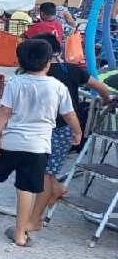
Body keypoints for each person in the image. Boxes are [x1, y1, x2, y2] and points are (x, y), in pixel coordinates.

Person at [0, 38, 82, 247]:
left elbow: (4, 112)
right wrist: (78, 132)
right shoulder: (58, 87)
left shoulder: (15, 83)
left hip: (11, 142)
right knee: (25, 189)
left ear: (20, 62)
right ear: (48, 62)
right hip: (37, 147)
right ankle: (20, 234)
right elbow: (69, 114)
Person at [26, 33, 111, 231]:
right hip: (65, 128)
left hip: (48, 128)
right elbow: (100, 86)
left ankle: (35, 219)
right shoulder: (71, 69)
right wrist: (107, 101)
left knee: (45, 174)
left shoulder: (37, 73)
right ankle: (56, 189)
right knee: (47, 171)